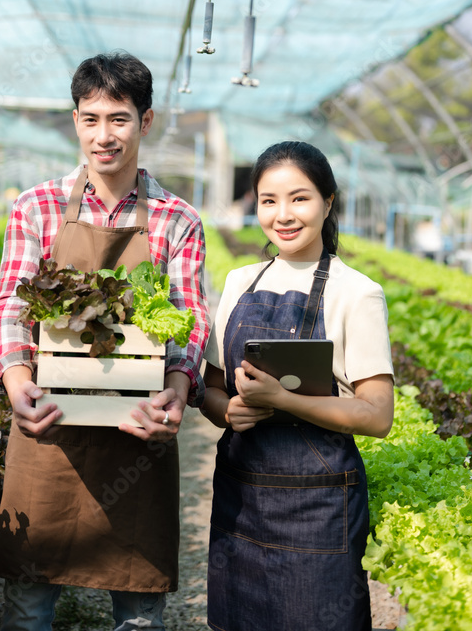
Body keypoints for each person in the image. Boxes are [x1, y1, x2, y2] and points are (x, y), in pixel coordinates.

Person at [0, 51, 209, 631]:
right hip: (50, 423)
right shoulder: (35, 206)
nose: (103, 135)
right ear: (75, 120)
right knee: (28, 605)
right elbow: (12, 303)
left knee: (138, 609)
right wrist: (16, 379)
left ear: (147, 121)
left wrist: (179, 388)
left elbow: (189, 317)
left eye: (119, 118)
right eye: (91, 118)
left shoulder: (176, 218)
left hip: (137, 427)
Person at [201, 141, 394, 631]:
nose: (283, 215)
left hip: (317, 504)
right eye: (269, 200)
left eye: (299, 198)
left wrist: (282, 400)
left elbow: (377, 415)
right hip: (242, 497)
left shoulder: (357, 292)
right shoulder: (241, 281)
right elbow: (211, 386)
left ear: (328, 202)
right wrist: (226, 412)